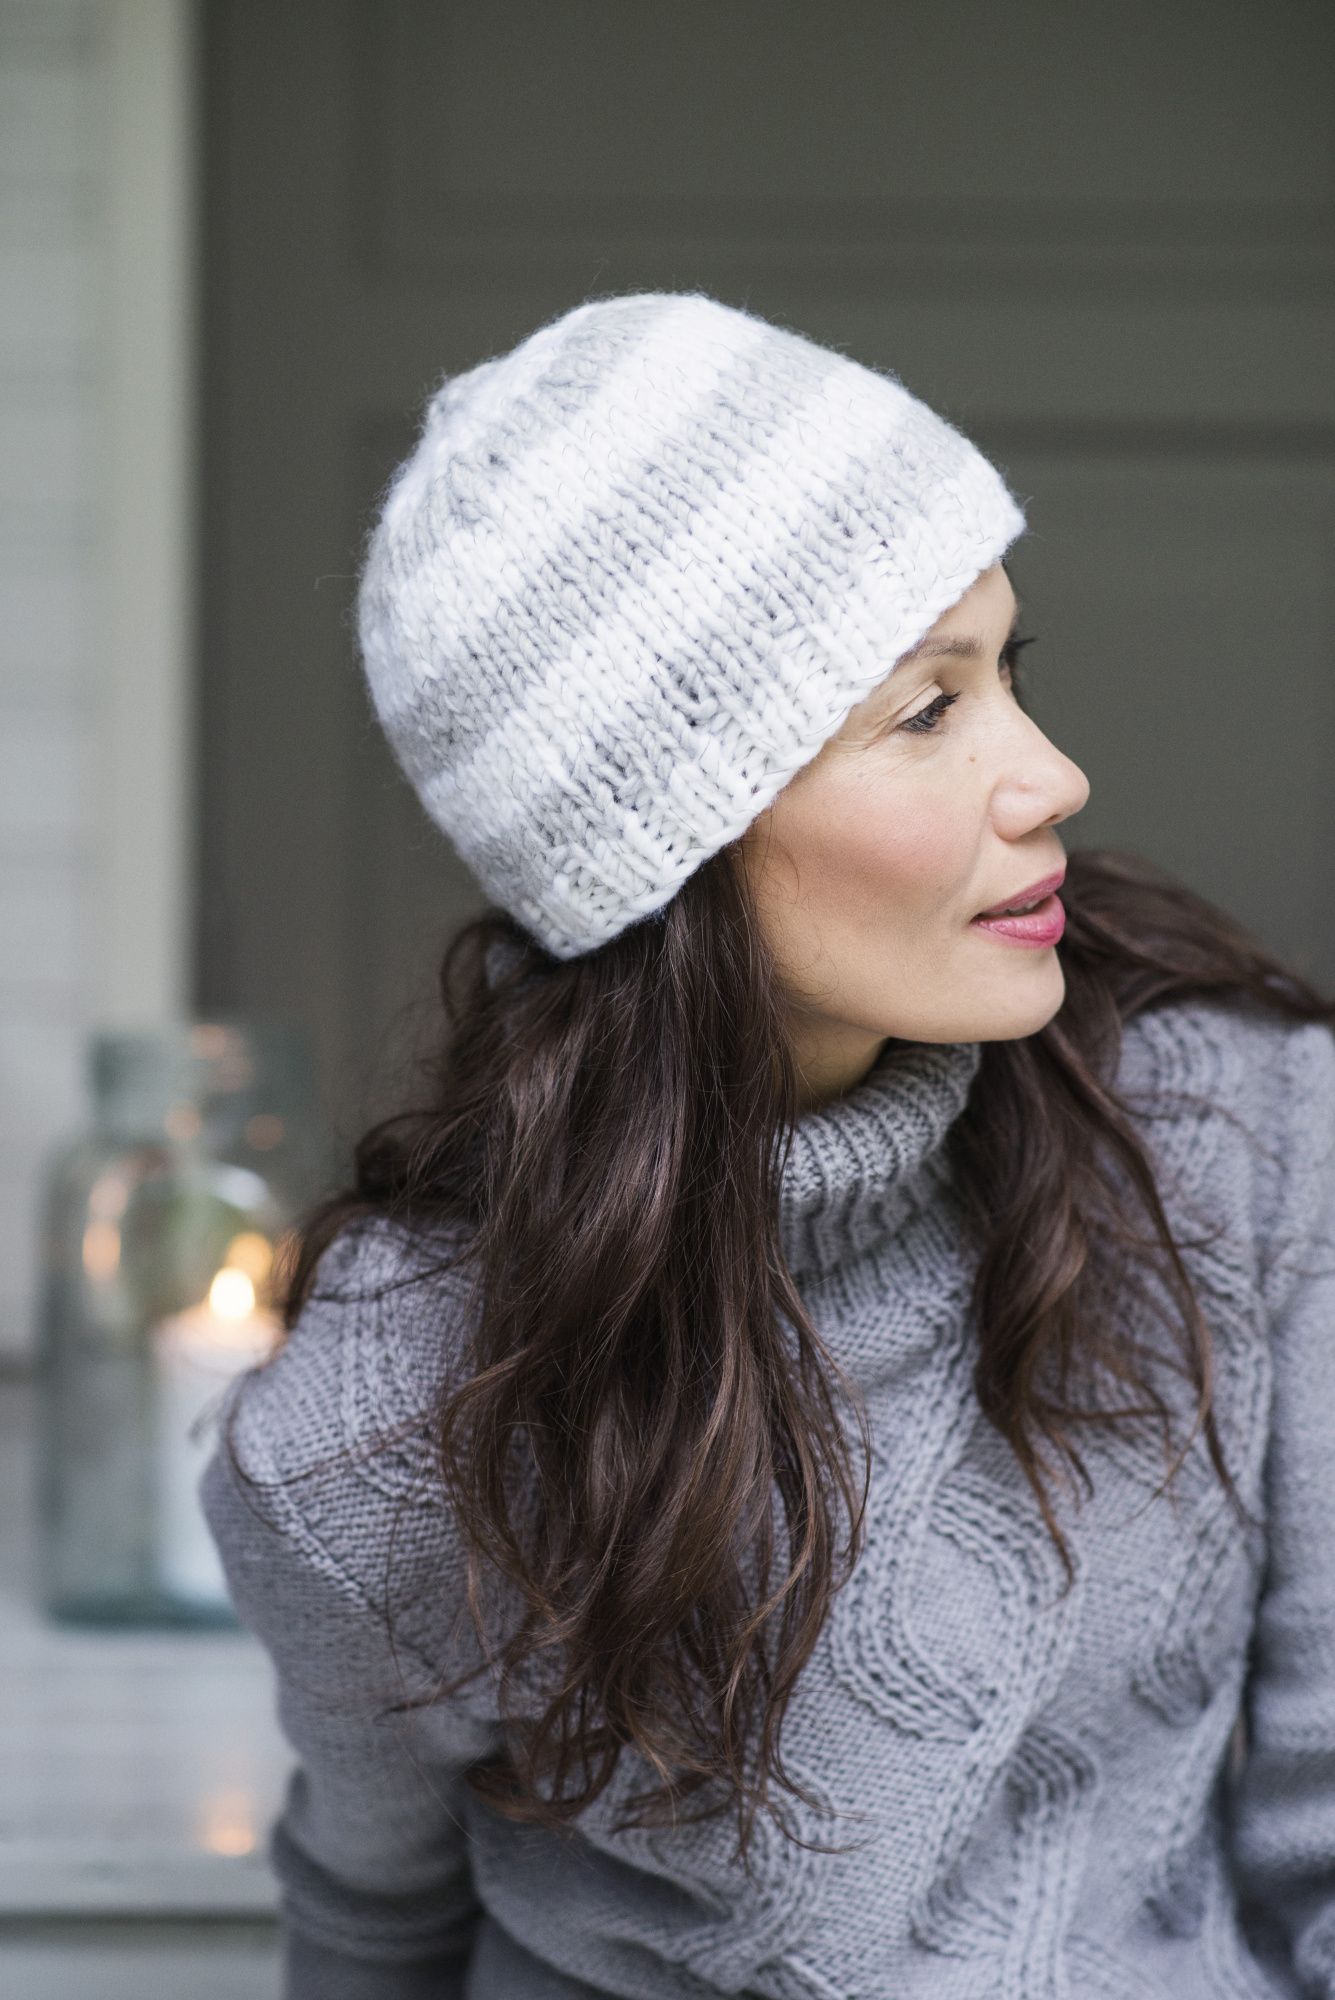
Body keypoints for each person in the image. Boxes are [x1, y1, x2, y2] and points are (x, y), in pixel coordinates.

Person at [201, 290, 1335, 1999]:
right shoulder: (380, 1430)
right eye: (926, 711)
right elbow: (374, 1924)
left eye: (1007, 671)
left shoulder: (1239, 1137)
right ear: (670, 845)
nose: (1052, 777)